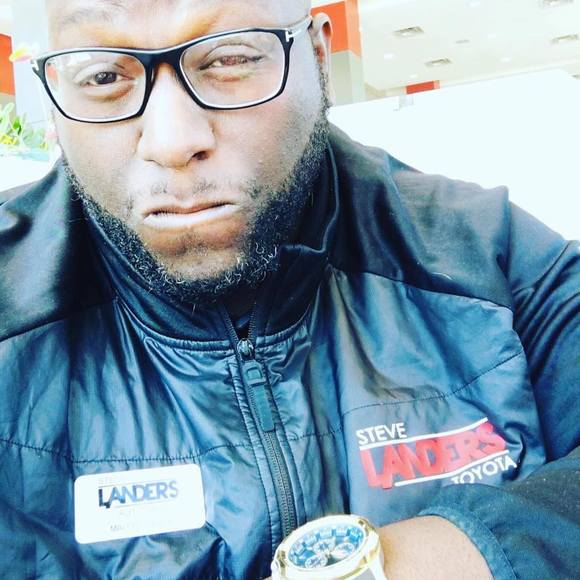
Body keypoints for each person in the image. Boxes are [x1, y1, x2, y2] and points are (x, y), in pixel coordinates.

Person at [0, 0, 578, 578]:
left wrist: (429, 557)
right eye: (103, 76)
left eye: (229, 58)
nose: (172, 141)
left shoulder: (488, 254)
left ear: (319, 56)